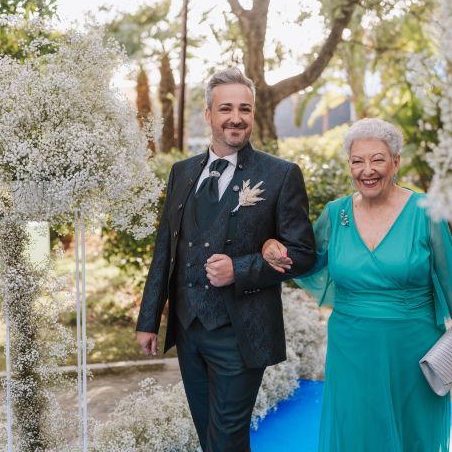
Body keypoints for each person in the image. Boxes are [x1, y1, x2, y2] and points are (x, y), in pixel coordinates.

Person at [262, 118, 452, 452]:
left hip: (414, 350)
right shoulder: (337, 214)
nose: (367, 170)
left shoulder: (425, 211)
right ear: (349, 166)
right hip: (351, 350)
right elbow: (303, 258)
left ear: (396, 162)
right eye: (357, 161)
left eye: (377, 159)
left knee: (414, 437)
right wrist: (269, 246)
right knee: (356, 435)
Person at [135, 67, 316, 452]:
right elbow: (165, 251)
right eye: (227, 108)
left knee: (228, 438)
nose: (236, 118)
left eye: (245, 109)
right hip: (188, 330)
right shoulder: (181, 173)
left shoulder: (279, 175)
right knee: (209, 436)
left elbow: (302, 254)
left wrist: (241, 269)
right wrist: (149, 319)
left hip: (240, 331)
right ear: (209, 115)